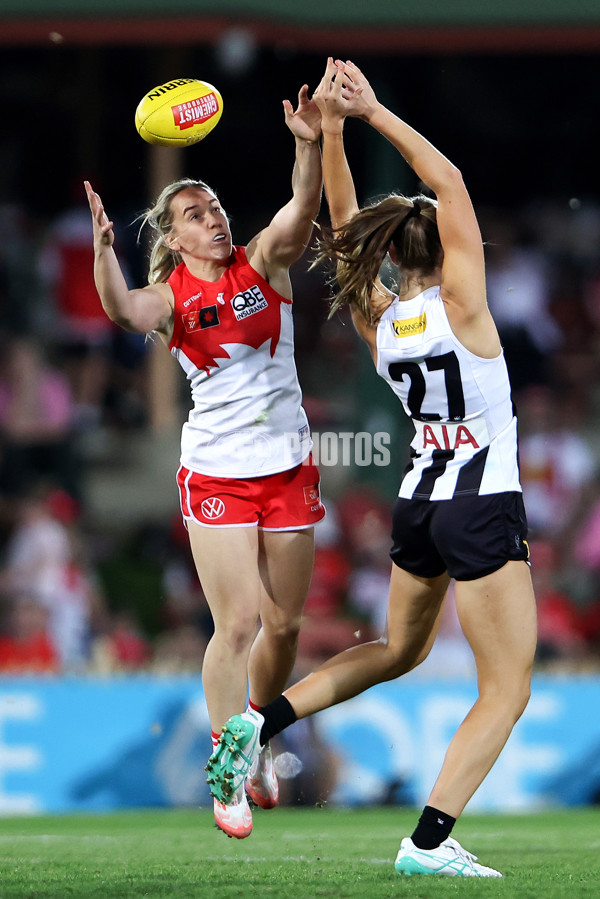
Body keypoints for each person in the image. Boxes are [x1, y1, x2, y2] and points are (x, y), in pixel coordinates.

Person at [206, 59, 537, 877]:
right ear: (451, 249)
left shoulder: (380, 317)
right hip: (481, 498)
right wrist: (375, 111)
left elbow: (347, 225)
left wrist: (333, 132)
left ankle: (258, 718)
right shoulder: (465, 306)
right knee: (508, 687)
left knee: (397, 648)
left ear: (396, 251)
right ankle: (428, 840)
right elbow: (448, 177)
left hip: (420, 499)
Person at [85, 83, 325, 839]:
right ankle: (227, 768)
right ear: (176, 237)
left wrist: (308, 146)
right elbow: (124, 311)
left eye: (215, 206)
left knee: (284, 626)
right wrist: (102, 256)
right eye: (195, 213)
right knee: (240, 623)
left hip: (287, 469)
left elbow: (302, 210)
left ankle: (254, 736)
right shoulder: (171, 294)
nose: (214, 217)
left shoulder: (266, 262)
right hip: (218, 473)